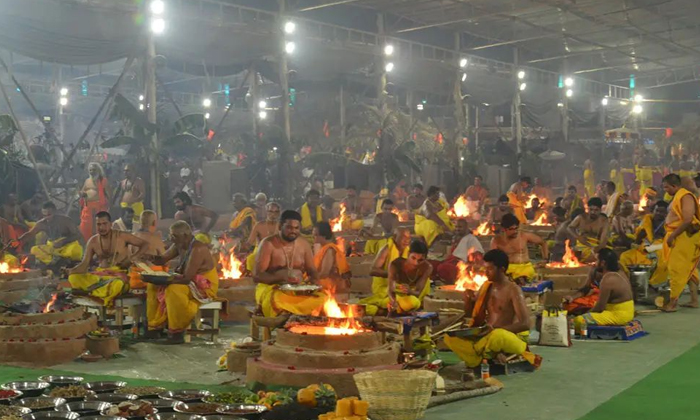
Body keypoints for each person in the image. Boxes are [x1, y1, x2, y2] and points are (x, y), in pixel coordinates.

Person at [443, 249, 541, 369]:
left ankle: (481, 355)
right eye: (485, 268)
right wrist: (468, 300)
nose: (485, 272)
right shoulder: (486, 286)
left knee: (497, 335)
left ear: (502, 269)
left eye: (489, 269)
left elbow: (525, 324)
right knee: (449, 337)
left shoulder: (513, 290)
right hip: (485, 336)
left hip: (506, 337)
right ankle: (484, 357)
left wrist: (494, 330)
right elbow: (470, 314)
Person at [147, 221, 219, 344]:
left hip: (203, 287)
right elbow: (162, 259)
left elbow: (186, 278)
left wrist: (166, 279)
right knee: (152, 285)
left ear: (186, 235)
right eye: (171, 235)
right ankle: (155, 327)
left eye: (174, 236)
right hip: (188, 281)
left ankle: (176, 332)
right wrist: (149, 257)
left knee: (173, 289)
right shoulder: (179, 244)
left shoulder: (198, 248)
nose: (171, 239)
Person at [253, 210, 326, 317]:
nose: (293, 231)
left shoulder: (303, 244)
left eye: (296, 228)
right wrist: (282, 276)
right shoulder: (268, 244)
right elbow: (257, 276)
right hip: (271, 289)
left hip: (297, 290)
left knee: (323, 298)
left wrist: (315, 285)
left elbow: (312, 271)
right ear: (280, 227)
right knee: (277, 301)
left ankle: (298, 318)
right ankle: (290, 319)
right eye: (289, 228)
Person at [68, 211, 148, 306]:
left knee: (118, 285)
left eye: (104, 224)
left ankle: (92, 291)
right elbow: (85, 264)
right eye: (98, 224)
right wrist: (71, 271)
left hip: (118, 276)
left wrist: (132, 259)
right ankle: (99, 292)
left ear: (110, 224)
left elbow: (145, 244)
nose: (101, 227)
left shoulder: (122, 236)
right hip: (100, 276)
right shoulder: (93, 241)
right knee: (73, 278)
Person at [660, 174, 700, 311]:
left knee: (677, 269)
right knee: (688, 269)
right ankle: (694, 300)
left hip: (682, 237)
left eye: (666, 188)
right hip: (678, 235)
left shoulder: (685, 196)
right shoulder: (678, 196)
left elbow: (688, 219)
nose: (665, 191)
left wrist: (673, 236)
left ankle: (672, 303)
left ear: (674, 186)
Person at [572, 249, 634, 332]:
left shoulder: (608, 279)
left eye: (597, 260)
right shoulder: (620, 272)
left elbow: (600, 308)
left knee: (578, 320)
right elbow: (587, 288)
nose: (594, 263)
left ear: (603, 263)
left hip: (618, 315)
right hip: (626, 311)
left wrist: (586, 315)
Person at [359, 228, 411, 315]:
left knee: (414, 298)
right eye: (403, 237)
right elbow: (372, 270)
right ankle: (381, 307)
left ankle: (385, 309)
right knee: (393, 301)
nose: (407, 241)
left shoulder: (408, 251)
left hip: (398, 288)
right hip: (383, 289)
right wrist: (391, 274)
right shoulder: (387, 248)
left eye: (409, 238)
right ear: (395, 237)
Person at [18, 201, 82, 269]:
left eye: (49, 215)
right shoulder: (42, 223)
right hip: (52, 248)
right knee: (34, 249)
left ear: (55, 212)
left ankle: (60, 260)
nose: (46, 218)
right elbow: (30, 234)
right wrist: (18, 241)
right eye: (44, 215)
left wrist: (64, 241)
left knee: (76, 250)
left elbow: (78, 235)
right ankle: (56, 261)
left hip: (67, 246)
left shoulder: (66, 220)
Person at [619, 201, 668, 284]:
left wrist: (653, 247)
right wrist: (640, 237)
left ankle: (653, 283)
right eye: (657, 211)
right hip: (643, 248)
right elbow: (637, 241)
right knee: (625, 256)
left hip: (660, 249)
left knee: (662, 262)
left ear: (667, 213)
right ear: (653, 211)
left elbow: (669, 243)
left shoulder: (669, 224)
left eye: (662, 212)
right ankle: (626, 282)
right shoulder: (646, 220)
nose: (658, 214)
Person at [490, 214, 548, 284]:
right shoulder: (496, 240)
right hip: (508, 272)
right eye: (511, 229)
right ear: (503, 229)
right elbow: (492, 259)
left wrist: (545, 259)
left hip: (526, 269)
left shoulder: (524, 236)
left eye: (516, 228)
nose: (515, 231)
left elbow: (543, 243)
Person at [380, 240, 433, 314]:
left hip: (412, 297)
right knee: (377, 305)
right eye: (413, 258)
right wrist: (393, 302)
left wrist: (409, 291)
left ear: (426, 258)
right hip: (395, 295)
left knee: (414, 302)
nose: (416, 263)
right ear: (408, 254)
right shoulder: (396, 264)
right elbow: (391, 289)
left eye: (420, 260)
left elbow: (418, 292)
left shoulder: (427, 267)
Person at [436, 218, 484, 283]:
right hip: (452, 262)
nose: (457, 229)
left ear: (466, 227)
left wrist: (469, 265)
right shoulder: (456, 238)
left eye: (460, 227)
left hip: (462, 267)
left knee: (443, 268)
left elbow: (478, 255)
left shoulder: (471, 239)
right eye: (456, 227)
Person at [313, 221, 352, 294]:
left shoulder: (329, 250)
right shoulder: (321, 248)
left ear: (323, 236)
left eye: (315, 235)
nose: (313, 237)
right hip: (323, 284)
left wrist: (308, 280)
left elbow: (324, 273)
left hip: (330, 287)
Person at [567, 197, 609, 262]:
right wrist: (578, 237)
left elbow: (603, 240)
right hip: (582, 246)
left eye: (596, 210)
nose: (593, 212)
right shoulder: (581, 218)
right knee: (575, 253)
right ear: (587, 208)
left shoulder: (604, 221)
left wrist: (596, 249)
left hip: (595, 246)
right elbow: (570, 227)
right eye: (591, 209)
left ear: (600, 210)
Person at [245, 202, 281, 272]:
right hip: (259, 252)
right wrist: (243, 246)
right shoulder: (259, 225)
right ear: (266, 212)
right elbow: (249, 242)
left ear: (279, 213)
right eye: (270, 211)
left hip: (277, 252)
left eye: (276, 212)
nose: (273, 214)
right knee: (250, 259)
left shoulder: (282, 226)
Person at [79, 162, 111, 240]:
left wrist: (109, 207)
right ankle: (88, 242)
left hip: (99, 207)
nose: (92, 172)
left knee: (100, 226)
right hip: (88, 207)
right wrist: (81, 193)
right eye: (90, 170)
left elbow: (109, 195)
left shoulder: (103, 181)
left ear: (98, 170)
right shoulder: (87, 181)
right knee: (85, 226)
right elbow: (82, 191)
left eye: (93, 170)